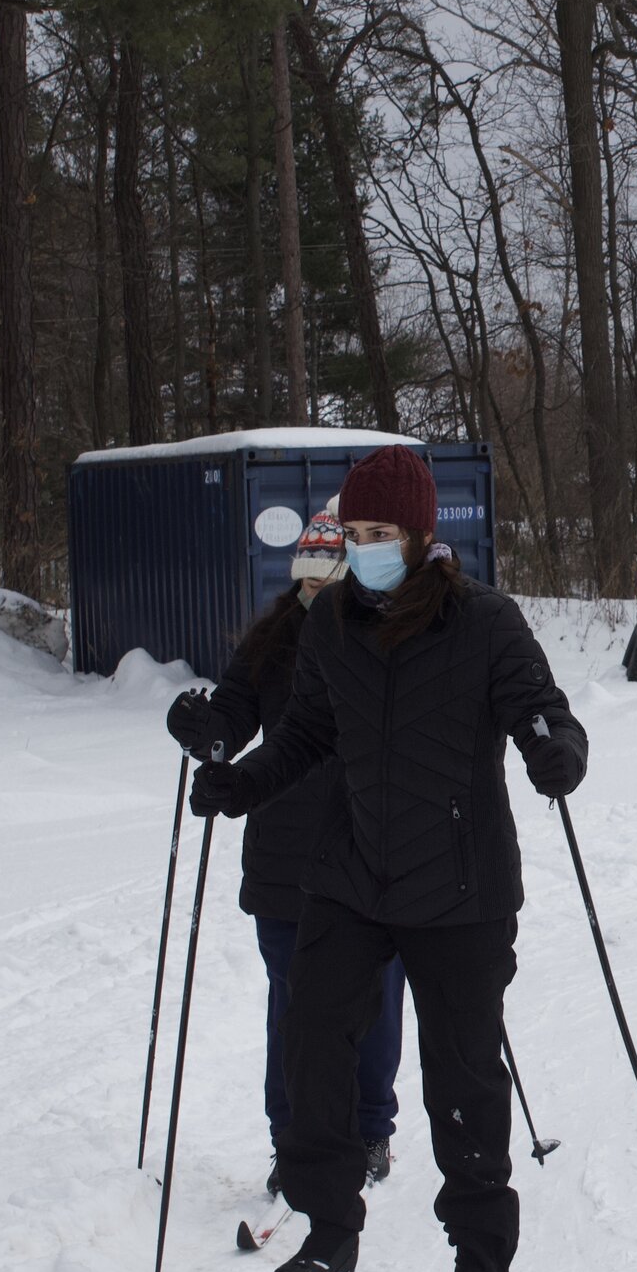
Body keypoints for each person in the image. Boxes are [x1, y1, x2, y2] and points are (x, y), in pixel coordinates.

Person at [187, 446, 588, 1272]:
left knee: (463, 1072)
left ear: (418, 535)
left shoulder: (484, 619)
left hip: (462, 885)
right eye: (355, 532)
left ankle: (480, 1251)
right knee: (313, 1040)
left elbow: (541, 705)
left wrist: (558, 749)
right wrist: (242, 784)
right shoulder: (331, 623)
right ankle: (328, 1228)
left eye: (381, 533)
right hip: (354, 874)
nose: (366, 547)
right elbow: (304, 735)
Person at [165, 507, 406, 1200]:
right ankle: (294, 1138)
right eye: (303, 584)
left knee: (373, 999)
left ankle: (367, 1128)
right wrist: (203, 729)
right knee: (294, 1005)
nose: (311, 597)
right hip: (285, 860)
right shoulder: (271, 641)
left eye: (323, 583)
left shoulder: (380, 636)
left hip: (369, 853)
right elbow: (233, 715)